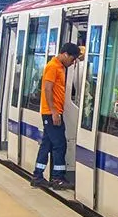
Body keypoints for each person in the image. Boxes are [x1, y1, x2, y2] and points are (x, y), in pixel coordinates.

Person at [32, 42, 81, 188]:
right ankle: (57, 178)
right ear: (65, 54)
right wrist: (54, 111)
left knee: (46, 144)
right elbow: (47, 89)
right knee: (60, 144)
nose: (72, 63)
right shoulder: (53, 67)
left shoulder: (60, 66)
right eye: (72, 59)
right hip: (51, 113)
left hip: (52, 112)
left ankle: (37, 175)